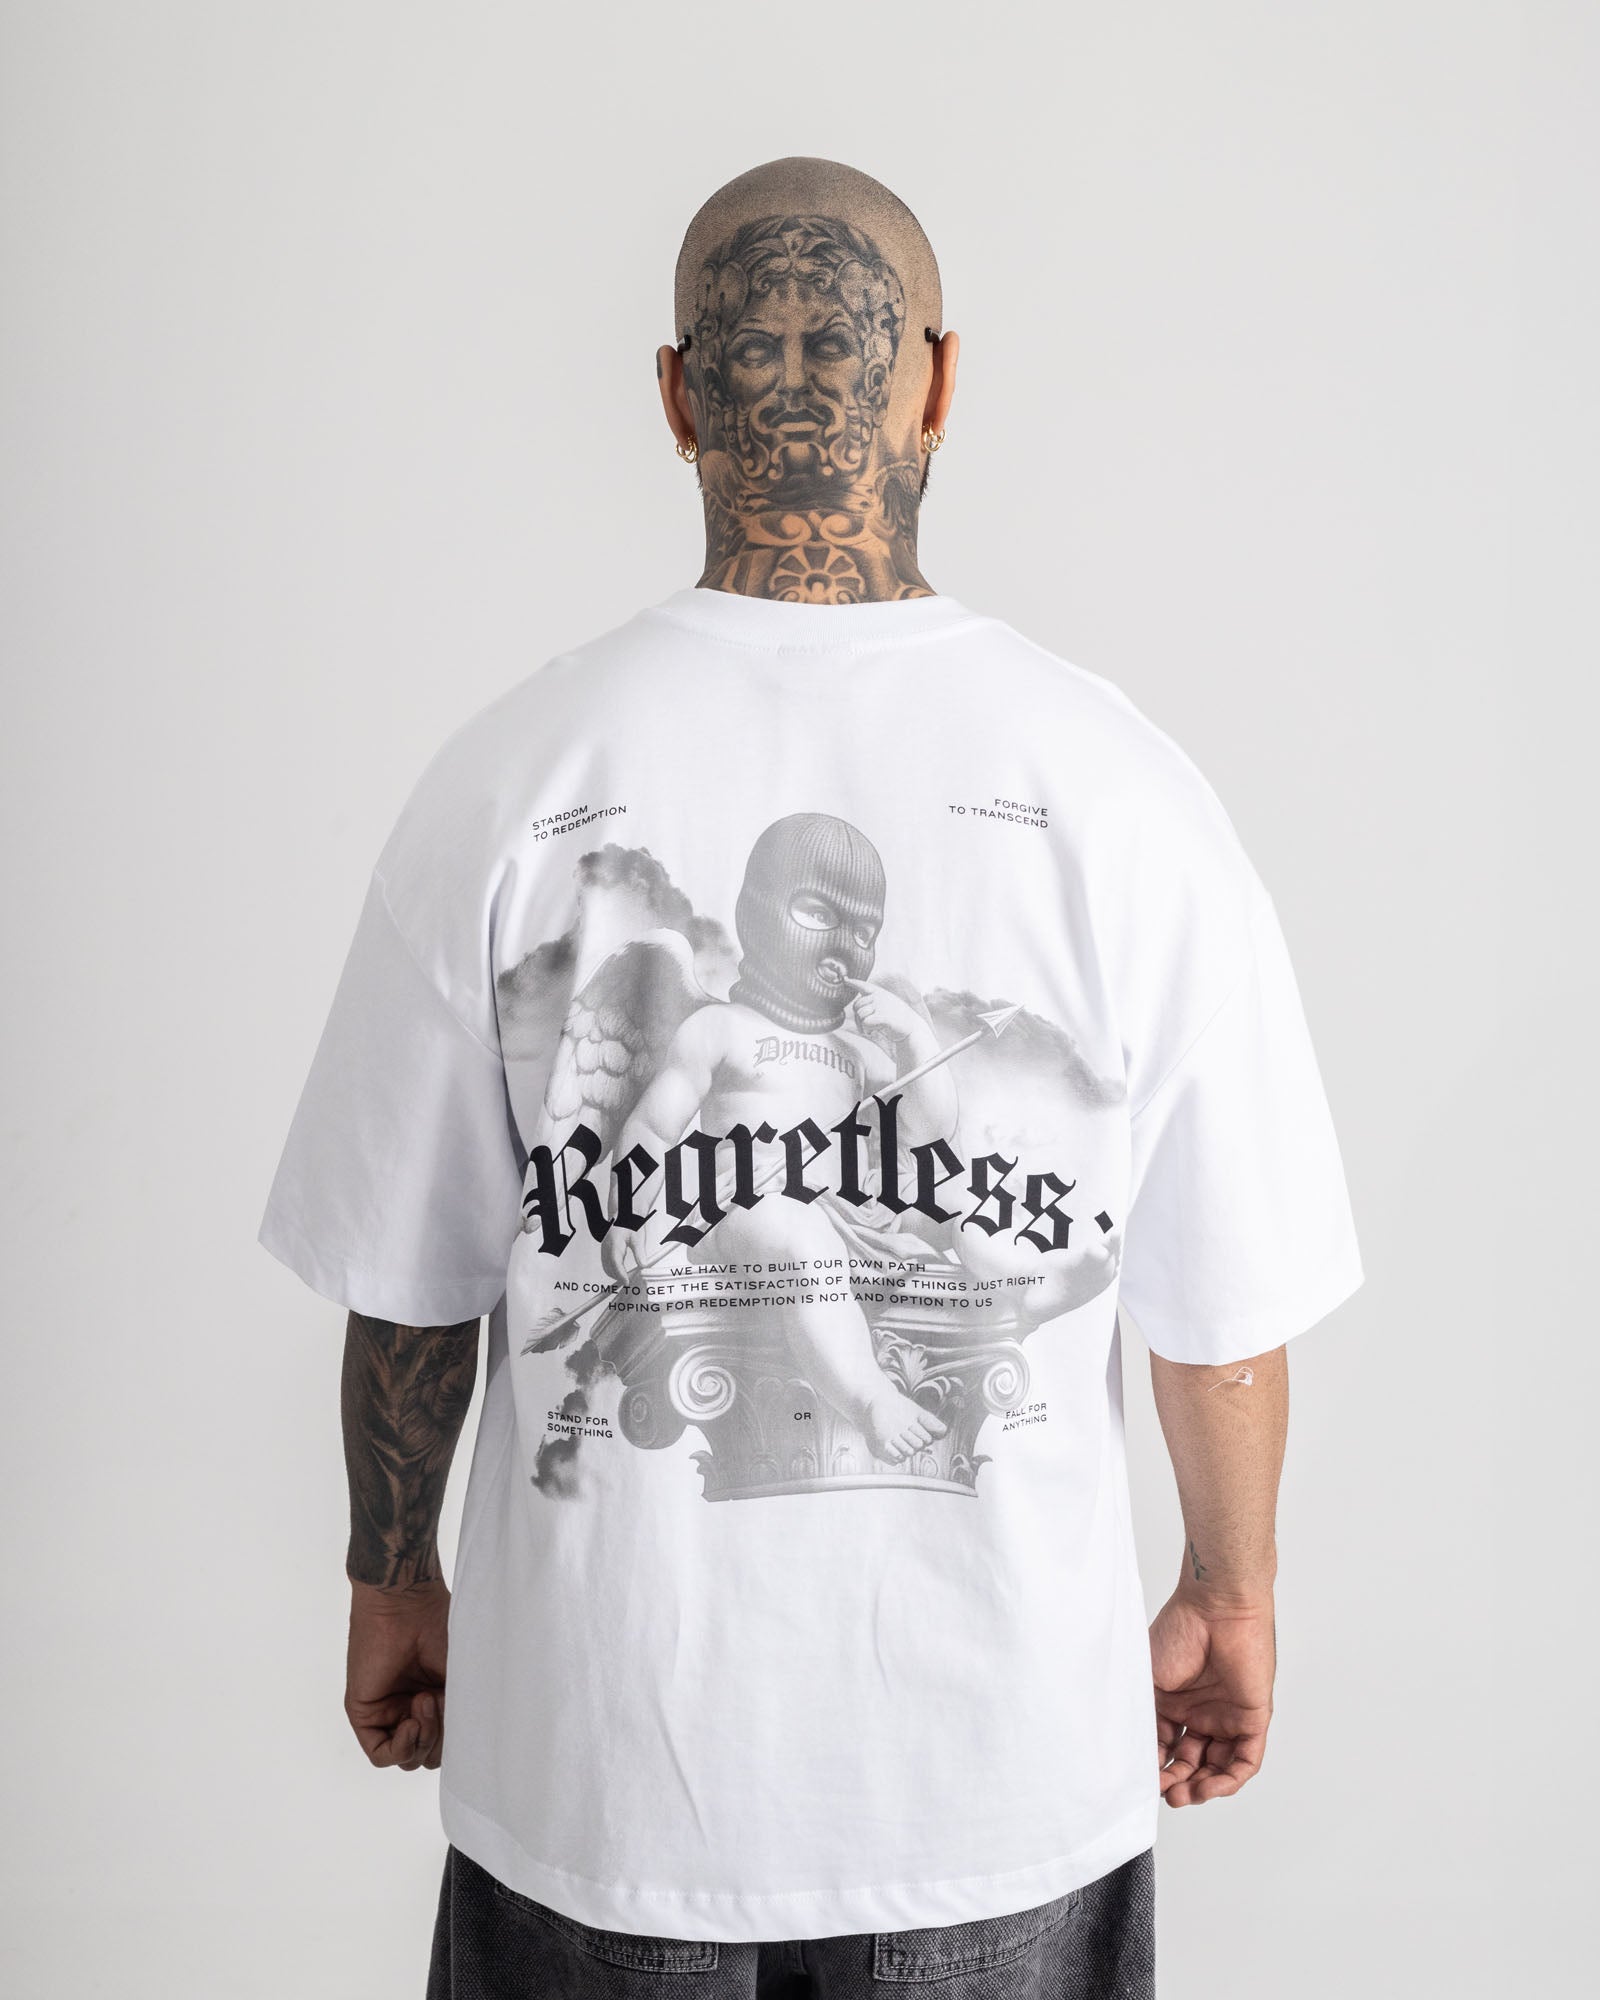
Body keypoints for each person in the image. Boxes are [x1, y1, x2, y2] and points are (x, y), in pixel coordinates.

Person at [258, 157, 1363, 1999]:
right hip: (995, 1775)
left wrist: (395, 1576)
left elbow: (411, 1282)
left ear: (670, 399)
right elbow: (1223, 1320)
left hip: (608, 1771)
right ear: (940, 381)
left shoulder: (509, 776)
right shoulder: (1125, 793)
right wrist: (1231, 1594)